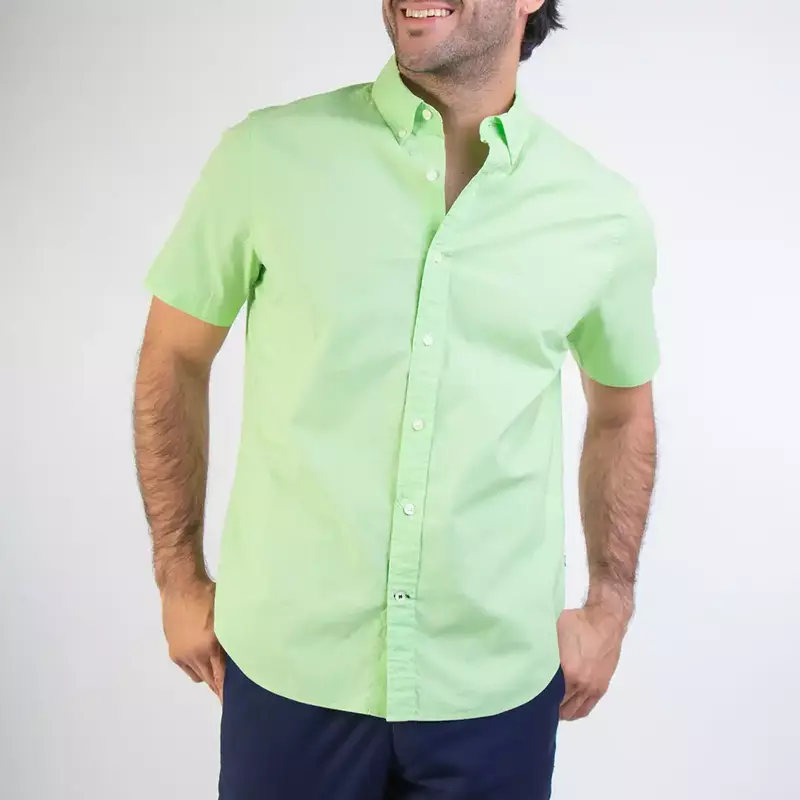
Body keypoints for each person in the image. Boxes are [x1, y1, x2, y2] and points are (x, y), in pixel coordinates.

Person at [133, 1, 659, 797]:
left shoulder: (601, 213)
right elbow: (174, 357)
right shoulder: (265, 158)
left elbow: (621, 412)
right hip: (289, 675)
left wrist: (611, 603)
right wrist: (178, 576)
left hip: (495, 690)